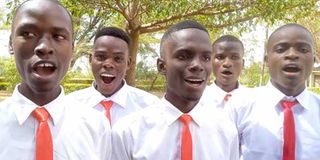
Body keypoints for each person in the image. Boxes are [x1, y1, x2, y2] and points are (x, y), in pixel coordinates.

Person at [112, 20, 239, 160]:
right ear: (162, 66)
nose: (197, 65)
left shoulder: (226, 131)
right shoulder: (129, 132)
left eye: (206, 58)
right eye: (183, 56)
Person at [0, 0, 111, 159]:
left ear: (72, 48)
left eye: (58, 36)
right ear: (11, 44)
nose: (44, 47)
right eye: (28, 34)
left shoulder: (96, 126)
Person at [228, 23, 320, 160]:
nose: (292, 55)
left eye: (303, 49)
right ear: (266, 61)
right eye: (281, 49)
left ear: (313, 60)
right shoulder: (239, 106)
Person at [67, 27, 160, 126]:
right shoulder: (70, 106)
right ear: (91, 59)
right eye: (101, 56)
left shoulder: (150, 107)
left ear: (128, 64)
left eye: (118, 58)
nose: (108, 64)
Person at [202, 35, 249, 109]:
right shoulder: (198, 100)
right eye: (220, 57)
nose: (227, 63)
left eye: (234, 57)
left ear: (243, 64)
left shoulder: (254, 101)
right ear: (210, 62)